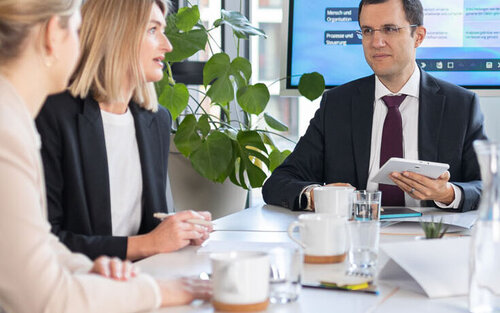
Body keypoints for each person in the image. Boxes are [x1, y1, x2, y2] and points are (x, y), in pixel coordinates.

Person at [0, 0, 210, 312]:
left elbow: (40, 245)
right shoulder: (22, 122)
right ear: (52, 35)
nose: (166, 45)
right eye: (75, 28)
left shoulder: (155, 120)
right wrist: (158, 288)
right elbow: (43, 292)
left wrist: (86, 270)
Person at [262, 0, 486, 213]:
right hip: (355, 236)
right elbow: (280, 182)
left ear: (418, 36)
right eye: (368, 31)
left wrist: (448, 193)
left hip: (432, 238)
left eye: (389, 29)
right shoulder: (337, 104)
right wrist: (316, 196)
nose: (376, 42)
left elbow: (488, 184)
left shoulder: (461, 105)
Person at [35, 0, 212, 261]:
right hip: (75, 287)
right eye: (153, 30)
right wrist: (150, 243)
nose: (168, 46)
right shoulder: (51, 114)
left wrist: (178, 230)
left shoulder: (157, 121)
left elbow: (148, 230)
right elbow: (45, 242)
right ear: (117, 33)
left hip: (139, 280)